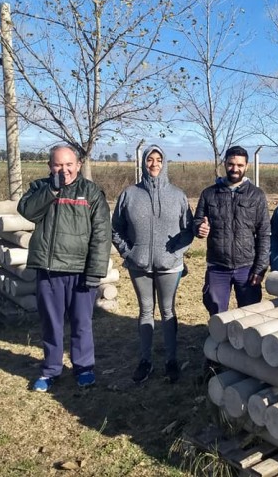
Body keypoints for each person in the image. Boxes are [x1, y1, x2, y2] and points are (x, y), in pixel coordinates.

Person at [18, 145, 111, 392]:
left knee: (82, 323)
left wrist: (95, 271)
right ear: (50, 166)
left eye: (69, 164)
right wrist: (53, 189)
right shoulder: (40, 188)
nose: (64, 170)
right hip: (49, 270)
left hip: (80, 271)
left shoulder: (91, 193)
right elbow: (27, 211)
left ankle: (84, 368)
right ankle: (50, 370)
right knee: (51, 323)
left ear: (78, 165)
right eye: (58, 165)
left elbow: (102, 235)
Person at [112, 145, 194, 384]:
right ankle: (145, 360)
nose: (154, 164)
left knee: (168, 311)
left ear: (164, 162)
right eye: (150, 159)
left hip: (169, 265)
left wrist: (177, 252)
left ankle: (171, 360)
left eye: (158, 159)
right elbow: (115, 227)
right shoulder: (129, 194)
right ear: (143, 163)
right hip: (139, 265)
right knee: (145, 311)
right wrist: (129, 252)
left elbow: (188, 230)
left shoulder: (177, 195)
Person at [193, 145, 271, 316]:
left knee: (249, 316)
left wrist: (260, 268)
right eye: (231, 164)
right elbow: (197, 221)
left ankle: (246, 344)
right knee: (217, 315)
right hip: (217, 266)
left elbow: (264, 234)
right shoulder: (209, 194)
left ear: (246, 166)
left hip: (247, 267)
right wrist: (200, 228)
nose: (235, 169)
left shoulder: (257, 195)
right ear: (225, 164)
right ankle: (219, 343)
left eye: (240, 165)